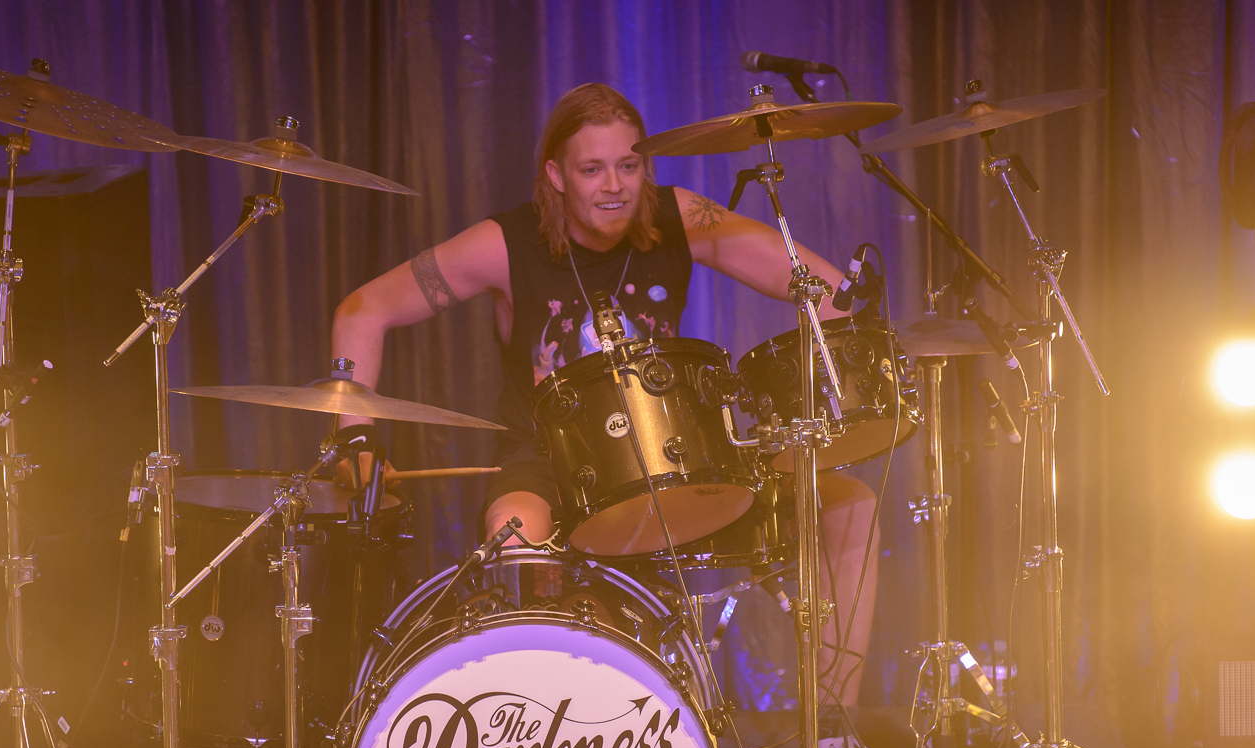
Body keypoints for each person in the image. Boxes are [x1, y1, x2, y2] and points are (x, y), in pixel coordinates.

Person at [331, 82, 876, 706]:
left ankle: (834, 735)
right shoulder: (505, 244)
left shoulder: (677, 217)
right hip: (550, 461)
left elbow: (827, 293)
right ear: (556, 175)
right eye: (592, 169)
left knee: (849, 502)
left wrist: (832, 358)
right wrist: (355, 442)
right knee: (514, 535)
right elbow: (363, 310)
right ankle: (540, 734)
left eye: (628, 166)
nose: (614, 186)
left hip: (672, 454)